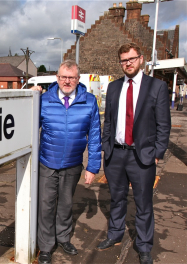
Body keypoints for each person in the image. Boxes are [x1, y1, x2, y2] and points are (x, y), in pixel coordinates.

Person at [98, 43, 171, 264]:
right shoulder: (113, 87)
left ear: (140, 59)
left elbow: (163, 124)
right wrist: (106, 145)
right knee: (117, 199)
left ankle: (144, 246)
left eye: (131, 59)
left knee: (143, 203)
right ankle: (115, 234)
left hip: (142, 156)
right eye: (123, 60)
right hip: (116, 155)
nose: (127, 63)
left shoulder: (156, 87)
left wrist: (157, 152)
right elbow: (109, 122)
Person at [32, 60, 102, 264]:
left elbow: (95, 136)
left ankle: (63, 237)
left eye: (71, 77)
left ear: (78, 79)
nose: (67, 81)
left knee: (65, 205)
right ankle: (45, 246)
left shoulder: (89, 101)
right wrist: (31, 94)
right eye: (63, 77)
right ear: (57, 78)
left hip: (73, 164)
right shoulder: (43, 100)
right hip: (47, 163)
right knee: (45, 207)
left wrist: (93, 167)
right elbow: (29, 129)